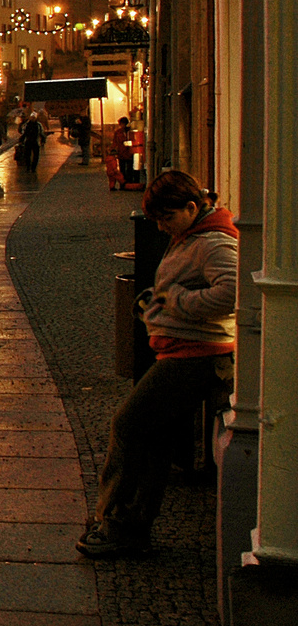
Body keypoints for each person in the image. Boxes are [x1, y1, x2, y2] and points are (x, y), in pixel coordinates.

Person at [78, 170, 236, 558]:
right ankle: (128, 523)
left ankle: (115, 521)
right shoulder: (190, 236)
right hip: (181, 349)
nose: (162, 228)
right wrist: (154, 302)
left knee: (129, 425)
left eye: (166, 218)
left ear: (191, 207)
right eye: (157, 221)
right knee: (155, 440)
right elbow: (179, 288)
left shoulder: (212, 243)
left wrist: (175, 301)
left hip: (196, 355)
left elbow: (231, 293)